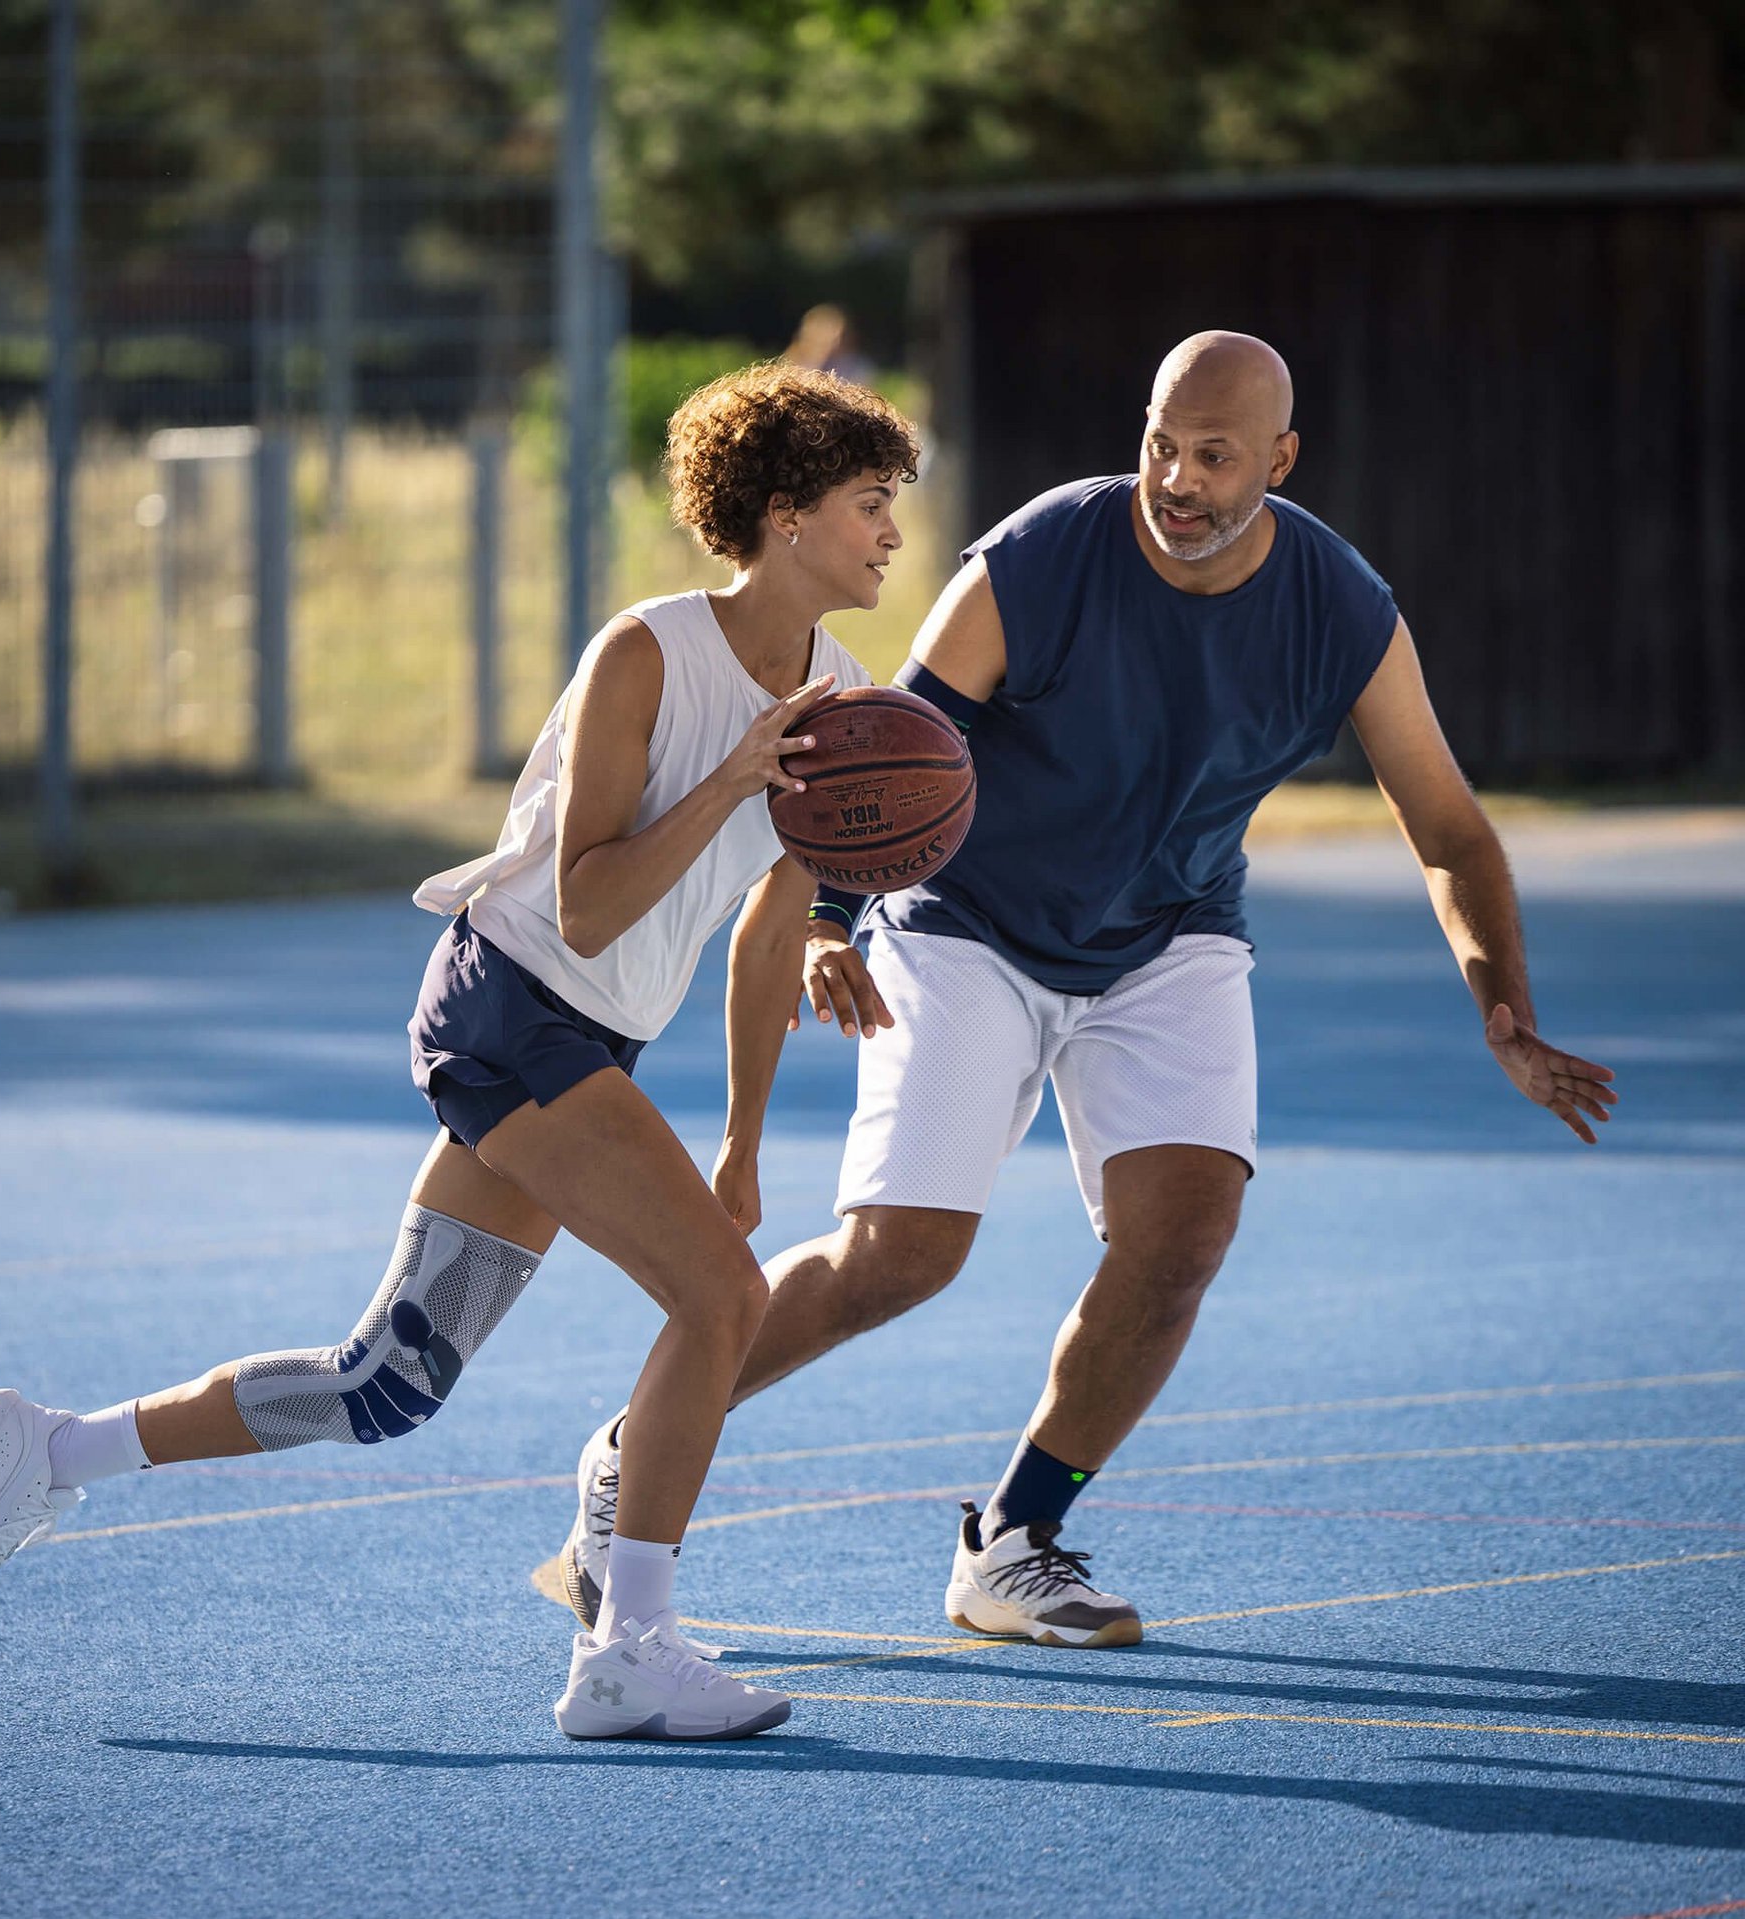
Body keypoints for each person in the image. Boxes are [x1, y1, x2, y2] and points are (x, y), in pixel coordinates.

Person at [554, 330, 1616, 1649]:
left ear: (1278, 464)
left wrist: (1499, 1009)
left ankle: (1013, 1541)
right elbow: (873, 749)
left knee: (1181, 1245)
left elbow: (1451, 830)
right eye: (1160, 443)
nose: (1174, 477)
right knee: (904, 1260)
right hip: (966, 923)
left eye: (1214, 456)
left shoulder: (1341, 610)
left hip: (1167, 931)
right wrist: (830, 919)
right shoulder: (1041, 556)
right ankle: (636, 1447)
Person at [0, 363, 919, 1739]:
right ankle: (628, 1644)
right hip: (509, 1003)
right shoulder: (647, 652)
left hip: (593, 1040)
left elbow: (768, 936)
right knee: (720, 1300)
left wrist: (747, 1137)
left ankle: (48, 1450)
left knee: (385, 1383)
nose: (892, 533)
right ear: (789, 511)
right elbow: (588, 901)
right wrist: (735, 778)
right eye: (872, 502)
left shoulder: (847, 696)